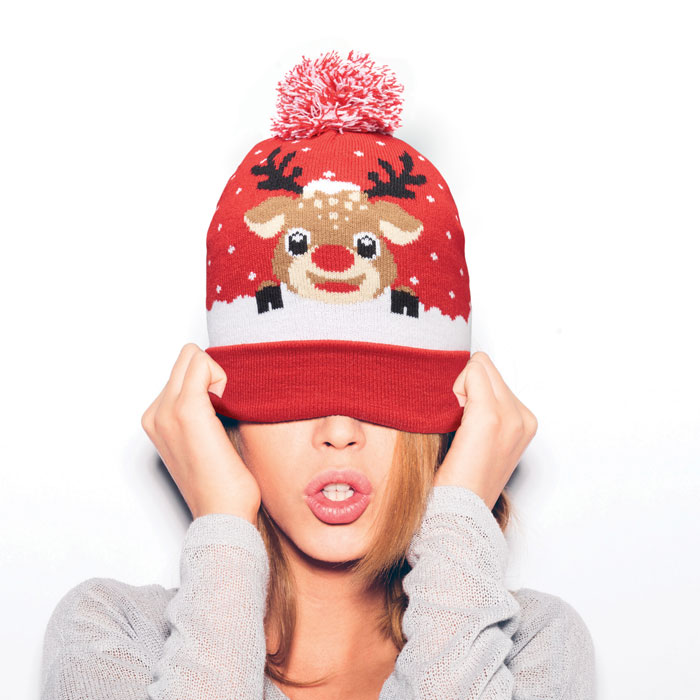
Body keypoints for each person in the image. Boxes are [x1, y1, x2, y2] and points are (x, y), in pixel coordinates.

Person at [40, 50, 596, 699]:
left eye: (385, 392)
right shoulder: (111, 634)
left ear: (455, 419)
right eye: (291, 390)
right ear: (218, 416)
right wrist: (223, 534)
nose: (338, 431)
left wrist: (459, 525)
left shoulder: (533, 648)